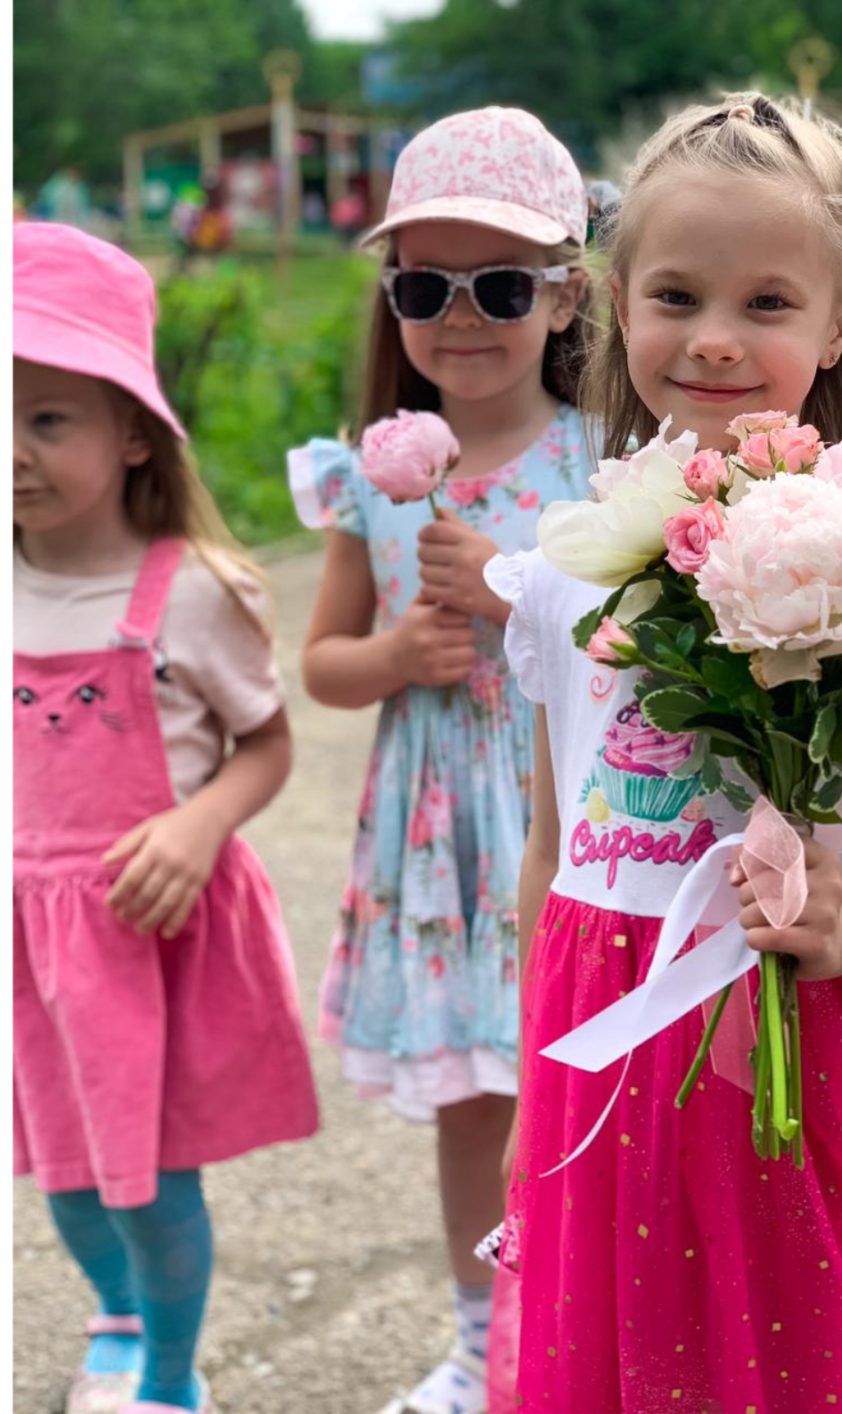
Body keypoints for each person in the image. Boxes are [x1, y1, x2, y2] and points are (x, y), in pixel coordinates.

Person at [488, 93, 842, 1413]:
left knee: (813, 1353)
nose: (714, 337)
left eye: (767, 303)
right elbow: (552, 852)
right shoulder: (563, 572)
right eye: (675, 295)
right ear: (614, 300)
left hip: (805, 1029)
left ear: (840, 321)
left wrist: (839, 930)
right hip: (605, 1033)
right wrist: (533, 1087)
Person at [285, 107, 597, 1414]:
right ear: (391, 297)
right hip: (440, 827)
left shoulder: (601, 464)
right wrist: (399, 653)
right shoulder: (370, 476)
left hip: (567, 817)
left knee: (587, 1082)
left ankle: (589, 1329)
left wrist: (517, 585)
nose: (459, 318)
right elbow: (321, 662)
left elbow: (636, 646)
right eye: (424, 288)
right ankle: (484, 1346)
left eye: (501, 287)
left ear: (565, 295)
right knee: (475, 1099)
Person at [14, 222, 320, 1414]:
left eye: (48, 418)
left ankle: (169, 1378)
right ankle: (118, 1311)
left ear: (132, 430)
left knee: (147, 1182)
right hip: (28, 945)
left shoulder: (190, 594)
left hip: (142, 938)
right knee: (63, 1173)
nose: (10, 451)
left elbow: (267, 742)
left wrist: (201, 827)